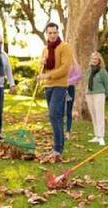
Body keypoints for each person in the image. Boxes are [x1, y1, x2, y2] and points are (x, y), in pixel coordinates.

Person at [37, 22, 72, 161]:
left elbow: (65, 68)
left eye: (54, 32)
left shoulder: (64, 47)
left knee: (53, 114)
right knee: (56, 116)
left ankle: (57, 148)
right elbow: (41, 67)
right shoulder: (45, 49)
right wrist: (42, 63)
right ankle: (59, 146)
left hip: (60, 85)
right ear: (47, 34)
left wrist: (48, 75)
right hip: (48, 86)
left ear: (58, 33)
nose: (52, 35)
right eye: (50, 33)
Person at [85, 51, 108, 146]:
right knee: (93, 115)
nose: (94, 60)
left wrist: (105, 93)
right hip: (89, 94)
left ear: (99, 60)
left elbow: (107, 84)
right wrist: (85, 93)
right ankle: (96, 135)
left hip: (99, 94)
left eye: (96, 59)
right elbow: (87, 83)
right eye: (93, 59)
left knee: (100, 115)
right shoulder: (88, 70)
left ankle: (101, 136)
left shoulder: (103, 71)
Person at [65, 58, 82, 140]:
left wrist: (69, 82)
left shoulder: (73, 62)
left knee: (68, 111)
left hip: (69, 89)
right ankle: (59, 132)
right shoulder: (59, 59)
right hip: (59, 88)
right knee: (59, 111)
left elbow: (79, 75)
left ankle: (67, 132)